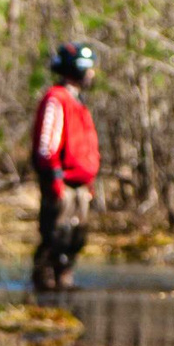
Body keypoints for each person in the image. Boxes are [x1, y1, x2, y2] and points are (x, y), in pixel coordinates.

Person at [29, 41, 101, 292]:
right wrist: (55, 182)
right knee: (55, 236)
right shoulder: (56, 99)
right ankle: (45, 287)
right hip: (62, 183)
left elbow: (86, 148)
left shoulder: (79, 102)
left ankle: (64, 282)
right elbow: (46, 146)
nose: (92, 74)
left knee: (76, 238)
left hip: (81, 185)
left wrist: (89, 183)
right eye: (88, 69)